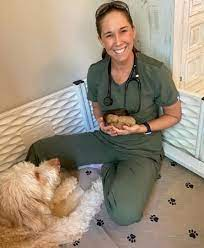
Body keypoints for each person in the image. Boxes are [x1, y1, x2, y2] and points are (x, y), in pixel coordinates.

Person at [26, 1, 181, 226]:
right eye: (109, 35)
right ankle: (23, 204)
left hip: (141, 149)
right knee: (39, 149)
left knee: (125, 214)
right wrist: (100, 121)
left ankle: (110, 168)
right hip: (105, 139)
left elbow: (174, 115)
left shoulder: (156, 72)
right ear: (101, 39)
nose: (118, 41)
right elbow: (97, 105)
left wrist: (142, 128)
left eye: (123, 31)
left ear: (133, 31)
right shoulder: (96, 72)